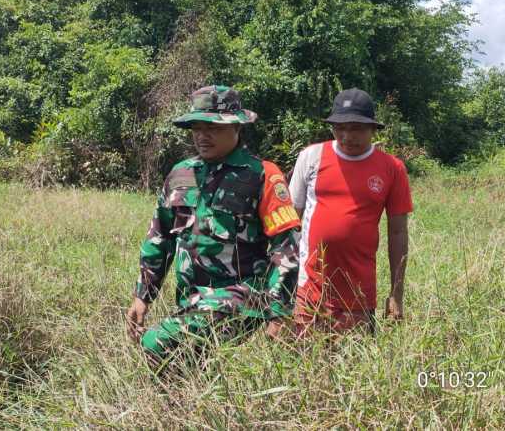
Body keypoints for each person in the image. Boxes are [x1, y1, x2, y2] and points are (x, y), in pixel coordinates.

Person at [125, 85, 300, 363]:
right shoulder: (180, 174)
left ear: (237, 127)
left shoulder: (262, 174)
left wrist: (279, 311)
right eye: (196, 127)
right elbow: (160, 239)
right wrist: (143, 296)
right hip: (191, 300)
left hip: (242, 297)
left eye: (213, 128)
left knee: (157, 343)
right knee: (190, 368)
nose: (202, 136)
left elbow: (287, 247)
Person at [287, 88, 413, 334]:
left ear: (373, 129)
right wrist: (282, 288)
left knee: (355, 365)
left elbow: (398, 233)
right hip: (308, 290)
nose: (347, 136)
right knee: (303, 366)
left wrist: (396, 294)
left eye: (356, 128)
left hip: (358, 296)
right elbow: (291, 222)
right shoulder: (311, 157)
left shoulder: (392, 168)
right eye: (339, 128)